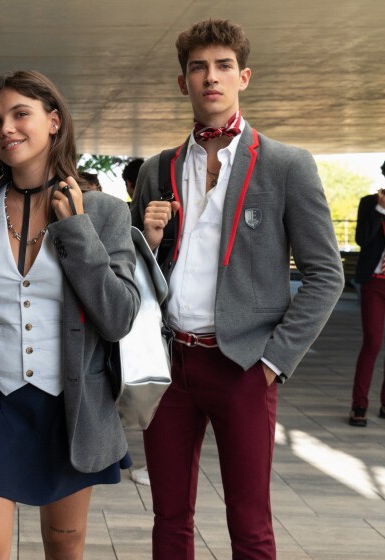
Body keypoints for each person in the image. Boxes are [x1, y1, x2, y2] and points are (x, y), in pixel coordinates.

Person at [130, 19, 344, 558]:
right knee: (169, 519)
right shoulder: (158, 169)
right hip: (172, 366)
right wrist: (149, 239)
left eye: (223, 66)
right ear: (184, 82)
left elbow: (325, 274)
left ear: (243, 77)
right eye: (198, 67)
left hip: (244, 367)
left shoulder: (287, 165)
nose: (211, 77)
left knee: (250, 525)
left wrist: (273, 362)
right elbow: (134, 272)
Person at [0, 70, 139, 560]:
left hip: (68, 407)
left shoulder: (103, 213)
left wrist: (77, 229)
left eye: (21, 114)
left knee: (65, 549)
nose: (6, 130)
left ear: (54, 121)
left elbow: (118, 318)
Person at [349, 175, 385, 426]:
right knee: (372, 342)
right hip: (374, 282)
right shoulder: (369, 203)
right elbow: (362, 239)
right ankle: (359, 404)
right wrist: (381, 210)